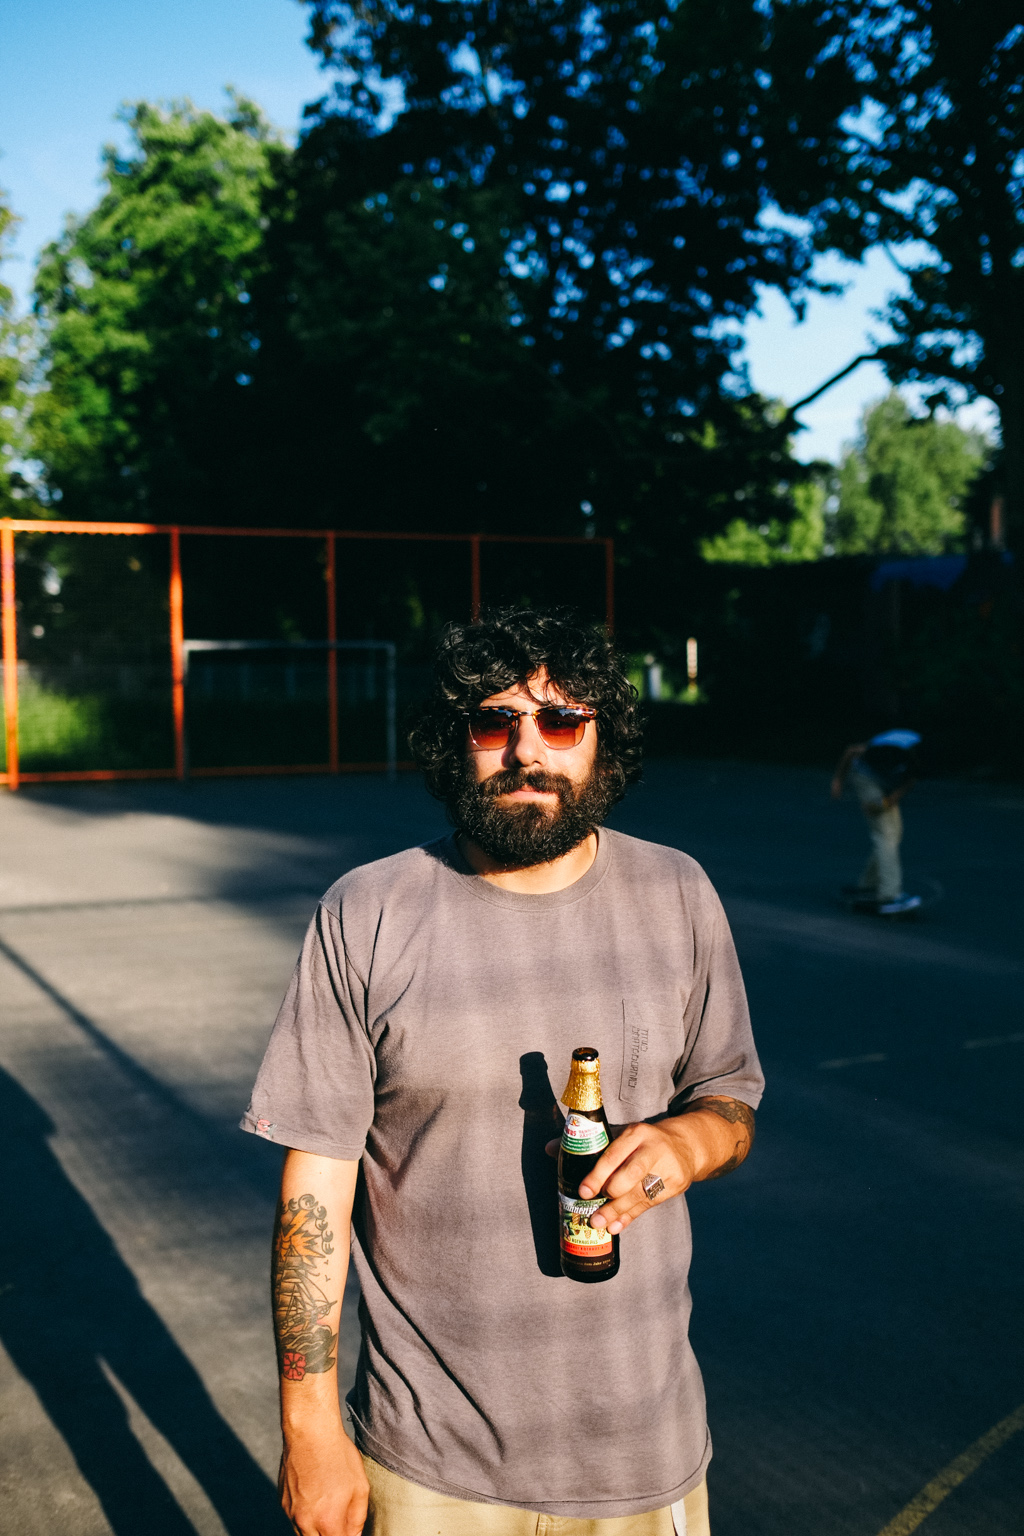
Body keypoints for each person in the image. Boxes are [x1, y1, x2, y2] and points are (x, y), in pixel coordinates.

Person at [242, 608, 763, 1536]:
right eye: (495, 721)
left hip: (643, 1446)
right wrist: (309, 1427)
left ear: (602, 742)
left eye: (562, 721)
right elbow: (316, 1185)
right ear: (456, 741)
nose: (528, 750)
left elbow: (731, 1097)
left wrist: (689, 1143)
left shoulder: (678, 892)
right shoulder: (367, 912)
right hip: (431, 1460)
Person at [831, 729, 922, 916]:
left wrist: (886, 803)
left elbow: (906, 785)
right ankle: (890, 896)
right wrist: (838, 780)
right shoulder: (889, 748)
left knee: (894, 834)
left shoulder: (918, 764)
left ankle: (868, 885)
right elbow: (851, 751)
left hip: (885, 783)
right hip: (865, 777)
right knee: (885, 835)